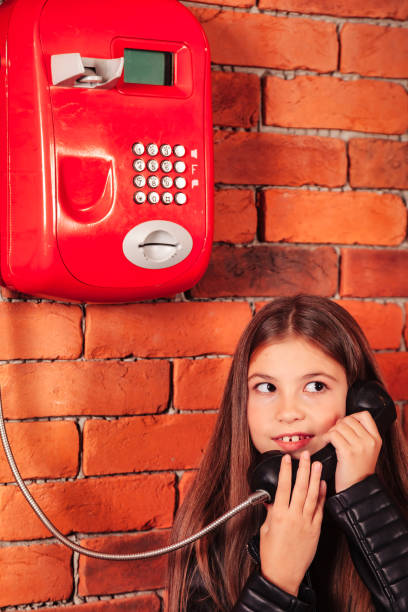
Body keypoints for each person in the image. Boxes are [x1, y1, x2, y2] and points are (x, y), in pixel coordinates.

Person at [167, 295, 408, 611]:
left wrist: (364, 500)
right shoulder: (210, 529)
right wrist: (276, 583)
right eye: (267, 388)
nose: (288, 412)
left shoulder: (396, 506)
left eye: (315, 386)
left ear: (359, 402)